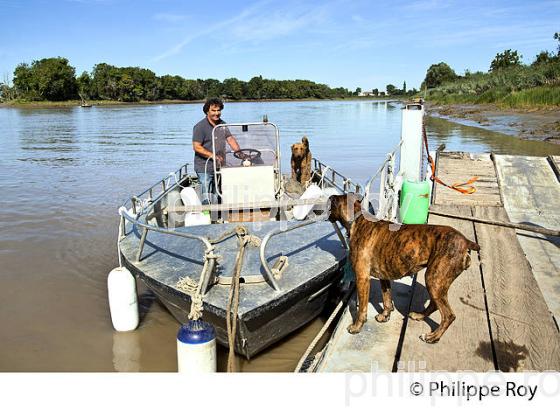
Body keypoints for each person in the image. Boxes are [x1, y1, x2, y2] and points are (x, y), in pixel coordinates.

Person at [192, 98, 241, 204]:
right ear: (207, 111)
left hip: (220, 165)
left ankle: (219, 213)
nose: (217, 113)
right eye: (213, 111)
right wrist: (213, 156)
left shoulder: (222, 124)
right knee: (207, 193)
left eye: (218, 110)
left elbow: (230, 139)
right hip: (204, 167)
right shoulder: (200, 127)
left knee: (218, 191)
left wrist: (240, 153)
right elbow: (196, 147)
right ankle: (207, 214)